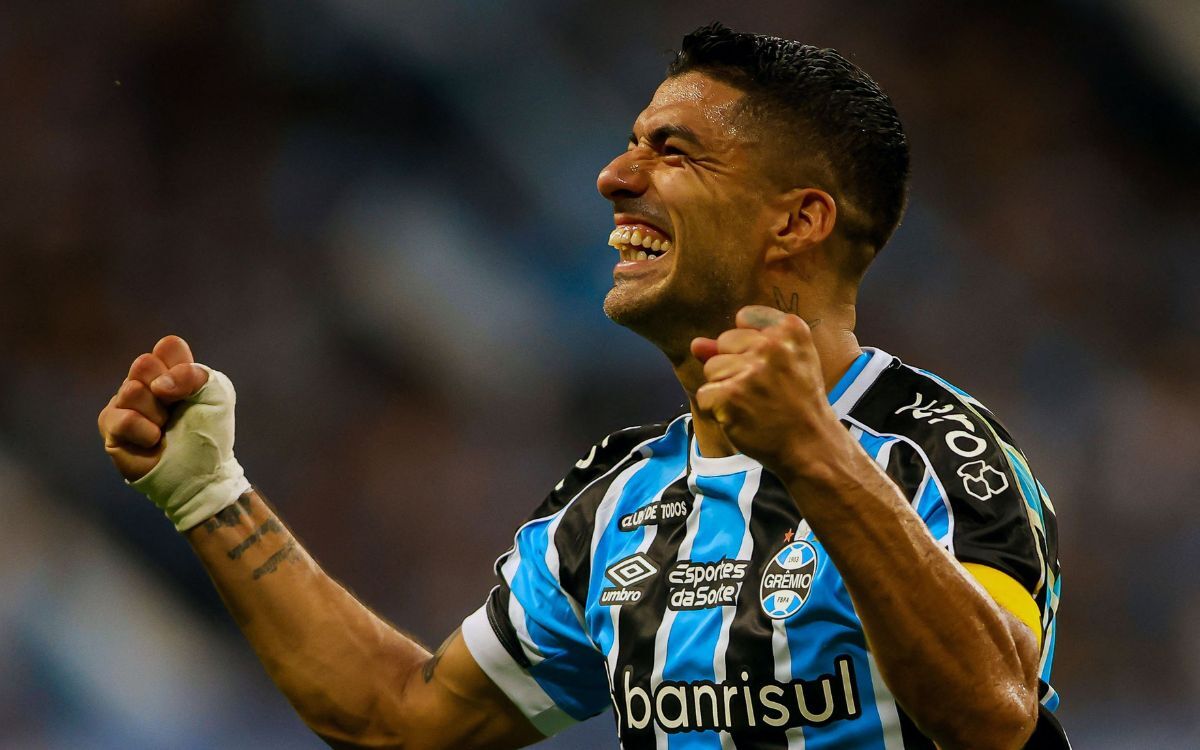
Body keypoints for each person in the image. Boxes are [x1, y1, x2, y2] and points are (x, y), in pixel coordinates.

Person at [96, 22, 1066, 750]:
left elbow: (994, 716)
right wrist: (205, 490)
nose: (612, 176)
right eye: (631, 141)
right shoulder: (622, 503)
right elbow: (406, 718)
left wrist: (811, 451)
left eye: (673, 150)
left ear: (798, 221)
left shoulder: (933, 447)